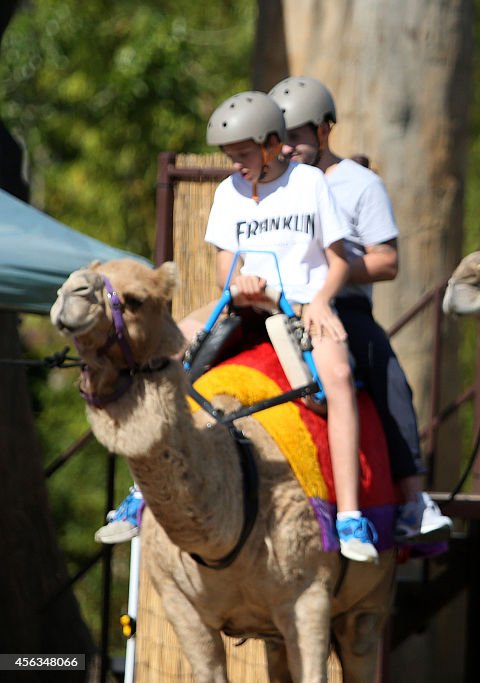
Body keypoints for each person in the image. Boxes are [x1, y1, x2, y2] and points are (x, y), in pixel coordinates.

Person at [97, 91, 379, 564]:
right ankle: (140, 494)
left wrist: (323, 303)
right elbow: (227, 264)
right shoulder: (228, 192)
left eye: (244, 154)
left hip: (301, 302)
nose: (238, 164)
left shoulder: (309, 183)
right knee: (167, 354)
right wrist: (240, 283)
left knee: (338, 376)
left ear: (272, 143)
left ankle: (351, 517)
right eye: (231, 157)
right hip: (244, 304)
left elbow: (339, 261)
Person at [268, 76, 452, 543]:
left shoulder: (359, 184)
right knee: (192, 351)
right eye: (278, 138)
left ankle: (412, 501)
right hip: (270, 302)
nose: (286, 149)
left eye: (296, 137)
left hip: (340, 306)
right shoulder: (265, 185)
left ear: (324, 131)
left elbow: (387, 261)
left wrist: (330, 268)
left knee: (386, 372)